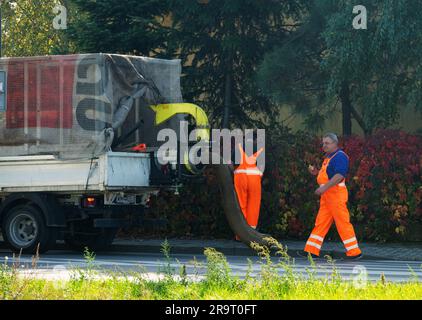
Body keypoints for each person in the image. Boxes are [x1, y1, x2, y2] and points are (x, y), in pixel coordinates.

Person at [300, 132, 362, 260]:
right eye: (323, 143)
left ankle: (354, 252)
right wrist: (315, 173)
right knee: (321, 223)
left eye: (327, 143)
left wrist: (324, 188)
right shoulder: (329, 157)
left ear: (335, 143)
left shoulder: (339, 157)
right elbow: (328, 176)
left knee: (342, 223)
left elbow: (339, 176)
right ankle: (311, 251)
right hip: (328, 195)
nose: (324, 145)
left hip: (335, 195)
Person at [230, 137, 264, 237]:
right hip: (254, 178)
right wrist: (259, 175)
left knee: (241, 205)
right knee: (254, 204)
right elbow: (262, 165)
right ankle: (251, 233)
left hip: (240, 177)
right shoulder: (259, 148)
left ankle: (240, 235)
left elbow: (230, 164)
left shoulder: (238, 147)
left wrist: (234, 173)